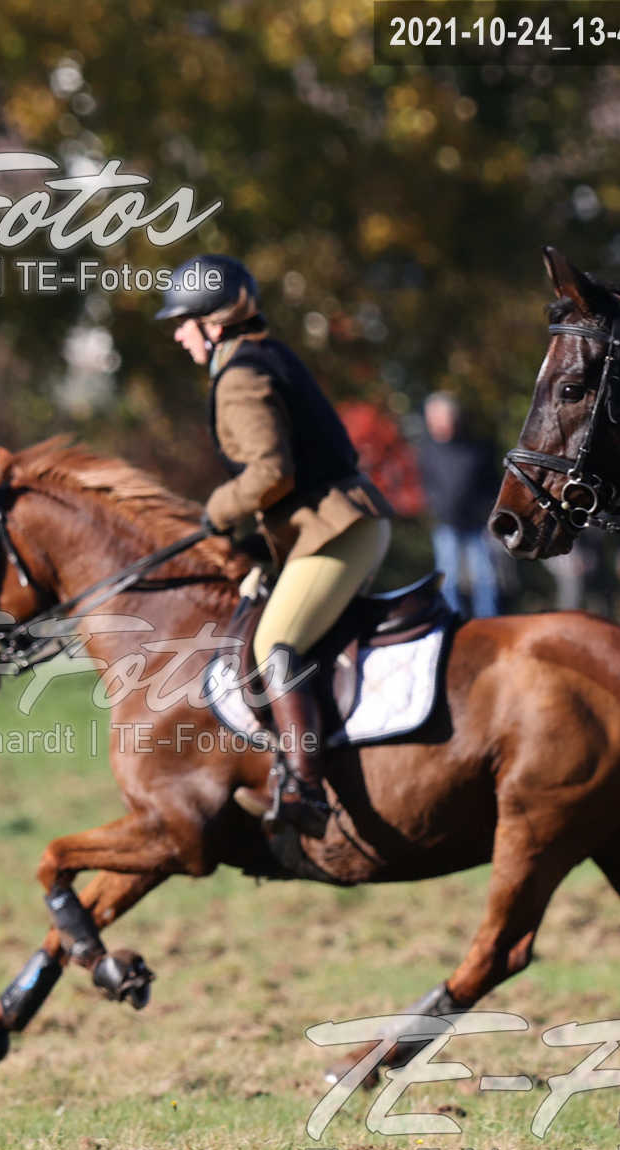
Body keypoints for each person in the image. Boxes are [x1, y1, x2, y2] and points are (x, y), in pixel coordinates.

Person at [157, 253, 394, 837]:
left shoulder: (240, 376)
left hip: (339, 527)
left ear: (213, 323)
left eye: (184, 321)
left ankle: (305, 788)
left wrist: (216, 511)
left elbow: (271, 474)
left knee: (273, 642)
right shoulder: (261, 355)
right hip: (325, 526)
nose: (178, 334)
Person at [415, 391, 502, 618]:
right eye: (433, 418)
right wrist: (436, 508)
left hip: (478, 524)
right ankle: (452, 622)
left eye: (442, 417)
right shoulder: (426, 450)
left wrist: (486, 511)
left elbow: (493, 484)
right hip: (446, 524)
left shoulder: (477, 447)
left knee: (485, 578)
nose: (437, 423)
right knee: (448, 579)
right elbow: (427, 484)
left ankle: (488, 621)